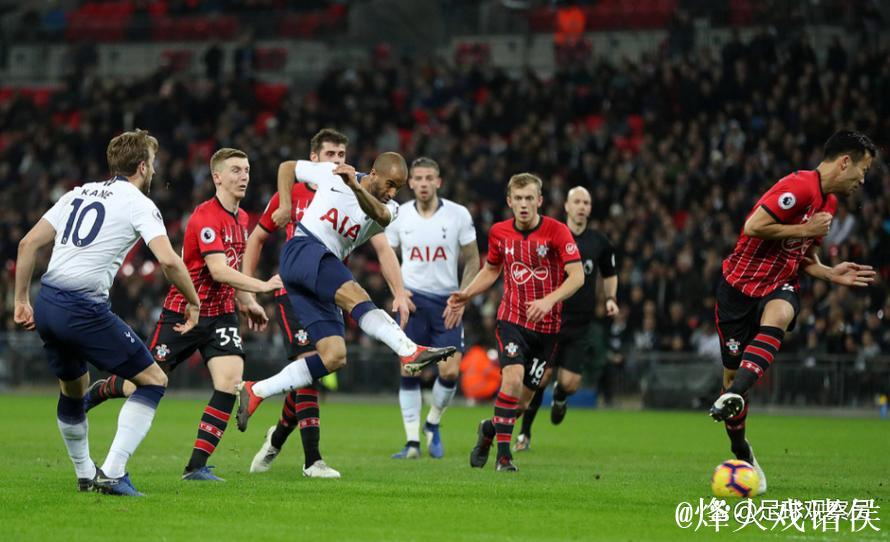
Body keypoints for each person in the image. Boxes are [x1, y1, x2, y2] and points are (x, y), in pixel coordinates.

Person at [14, 129, 201, 496]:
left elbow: (27, 244)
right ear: (143, 166)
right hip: (82, 307)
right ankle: (113, 473)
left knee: (74, 390)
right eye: (153, 163)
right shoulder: (139, 203)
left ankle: (85, 474)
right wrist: (193, 301)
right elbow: (168, 260)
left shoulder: (77, 192)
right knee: (153, 380)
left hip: (48, 301)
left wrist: (21, 300)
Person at [83, 148, 282, 482]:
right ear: (216, 177)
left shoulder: (243, 219)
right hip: (184, 313)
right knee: (141, 385)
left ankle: (196, 466)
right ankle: (106, 388)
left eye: (247, 170)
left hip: (221, 316)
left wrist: (247, 300)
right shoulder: (205, 217)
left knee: (230, 383)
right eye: (235, 170)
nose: (243, 176)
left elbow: (231, 267)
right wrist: (262, 285)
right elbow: (218, 271)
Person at [235, 153, 457, 431]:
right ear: (374, 173)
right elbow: (287, 167)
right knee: (357, 294)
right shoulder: (330, 173)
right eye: (389, 184)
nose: (392, 192)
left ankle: (256, 390)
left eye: (397, 188)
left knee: (334, 356)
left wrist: (355, 186)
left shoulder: (391, 208)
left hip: (318, 272)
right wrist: (287, 204)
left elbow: (379, 215)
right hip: (304, 249)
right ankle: (408, 350)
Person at [709, 130, 877, 495]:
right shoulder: (800, 186)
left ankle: (737, 392)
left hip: (777, 285)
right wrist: (805, 227)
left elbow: (801, 256)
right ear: (844, 162)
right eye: (862, 170)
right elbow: (753, 226)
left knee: (781, 314)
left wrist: (830, 272)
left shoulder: (829, 204)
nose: (863, 180)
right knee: (730, 373)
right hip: (737, 288)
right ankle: (740, 447)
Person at [448, 173, 584, 471]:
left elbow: (578, 276)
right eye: (518, 199)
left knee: (520, 404)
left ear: (540, 200)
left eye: (529, 198)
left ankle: (488, 432)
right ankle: (504, 457)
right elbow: (492, 269)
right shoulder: (499, 232)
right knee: (510, 380)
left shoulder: (557, 232)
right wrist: (467, 294)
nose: (524, 204)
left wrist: (549, 301)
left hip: (547, 329)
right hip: (512, 320)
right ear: (509, 201)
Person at [242, 128, 348, 478]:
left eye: (341, 155)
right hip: (293, 291)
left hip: (329, 290)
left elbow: (379, 246)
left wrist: (396, 288)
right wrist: (249, 289)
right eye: (330, 154)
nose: (336, 161)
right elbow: (257, 238)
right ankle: (312, 460)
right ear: (313, 159)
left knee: (319, 367)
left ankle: (277, 436)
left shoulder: (349, 193)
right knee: (308, 365)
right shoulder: (292, 193)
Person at [385, 157, 480, 459]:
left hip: (447, 302)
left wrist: (463, 296)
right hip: (413, 300)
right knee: (410, 367)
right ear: (410, 182)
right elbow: (386, 255)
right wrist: (398, 292)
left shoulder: (458, 215)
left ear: (438, 182)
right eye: (418, 178)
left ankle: (433, 422)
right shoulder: (399, 216)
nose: (424, 183)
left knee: (450, 371)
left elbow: (474, 259)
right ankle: (412, 442)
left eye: (429, 178)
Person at [514, 186, 618, 451]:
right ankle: (524, 434)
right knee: (540, 378)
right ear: (567, 207)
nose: (582, 206)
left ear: (590, 208)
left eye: (586, 202)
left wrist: (610, 299)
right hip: (550, 319)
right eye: (577, 202)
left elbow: (609, 273)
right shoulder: (552, 236)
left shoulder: (599, 242)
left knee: (570, 383)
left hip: (580, 324)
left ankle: (560, 397)